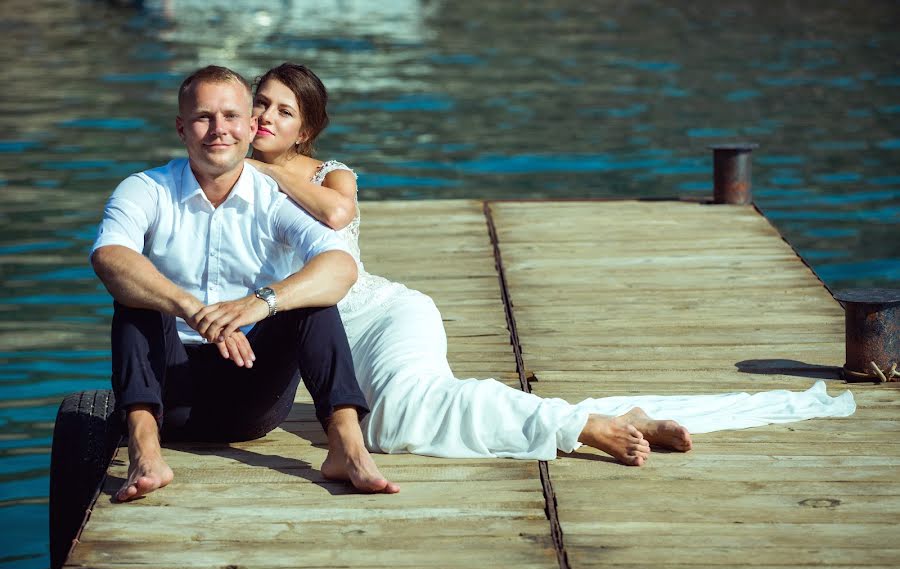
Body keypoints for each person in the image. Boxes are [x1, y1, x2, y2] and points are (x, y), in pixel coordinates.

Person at [246, 63, 857, 465]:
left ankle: (580, 427)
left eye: (283, 111)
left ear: (305, 131)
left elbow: (335, 215)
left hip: (382, 316)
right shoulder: (227, 177)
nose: (266, 117)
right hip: (319, 334)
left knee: (402, 416)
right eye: (260, 104)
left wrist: (268, 170)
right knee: (387, 428)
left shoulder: (328, 173)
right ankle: (612, 418)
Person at [91, 65, 400, 500]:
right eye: (203, 117)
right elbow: (109, 256)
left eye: (231, 117)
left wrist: (259, 303)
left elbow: (340, 266)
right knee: (135, 295)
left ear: (251, 126)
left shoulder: (275, 199)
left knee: (311, 301)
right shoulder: (145, 189)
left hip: (251, 388)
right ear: (182, 127)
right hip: (167, 394)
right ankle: (145, 450)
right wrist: (193, 309)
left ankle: (346, 447)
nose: (219, 130)